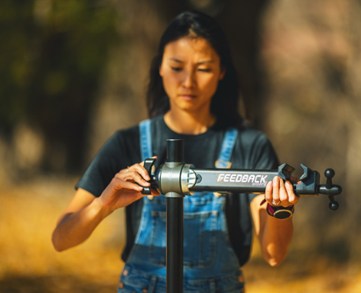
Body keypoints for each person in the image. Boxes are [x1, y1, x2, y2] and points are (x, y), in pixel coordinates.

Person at [52, 10, 299, 293]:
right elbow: (62, 238)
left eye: (203, 68)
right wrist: (104, 204)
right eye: (177, 67)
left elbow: (273, 254)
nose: (188, 82)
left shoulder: (250, 145)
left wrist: (281, 209)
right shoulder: (128, 142)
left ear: (222, 71)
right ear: (159, 67)